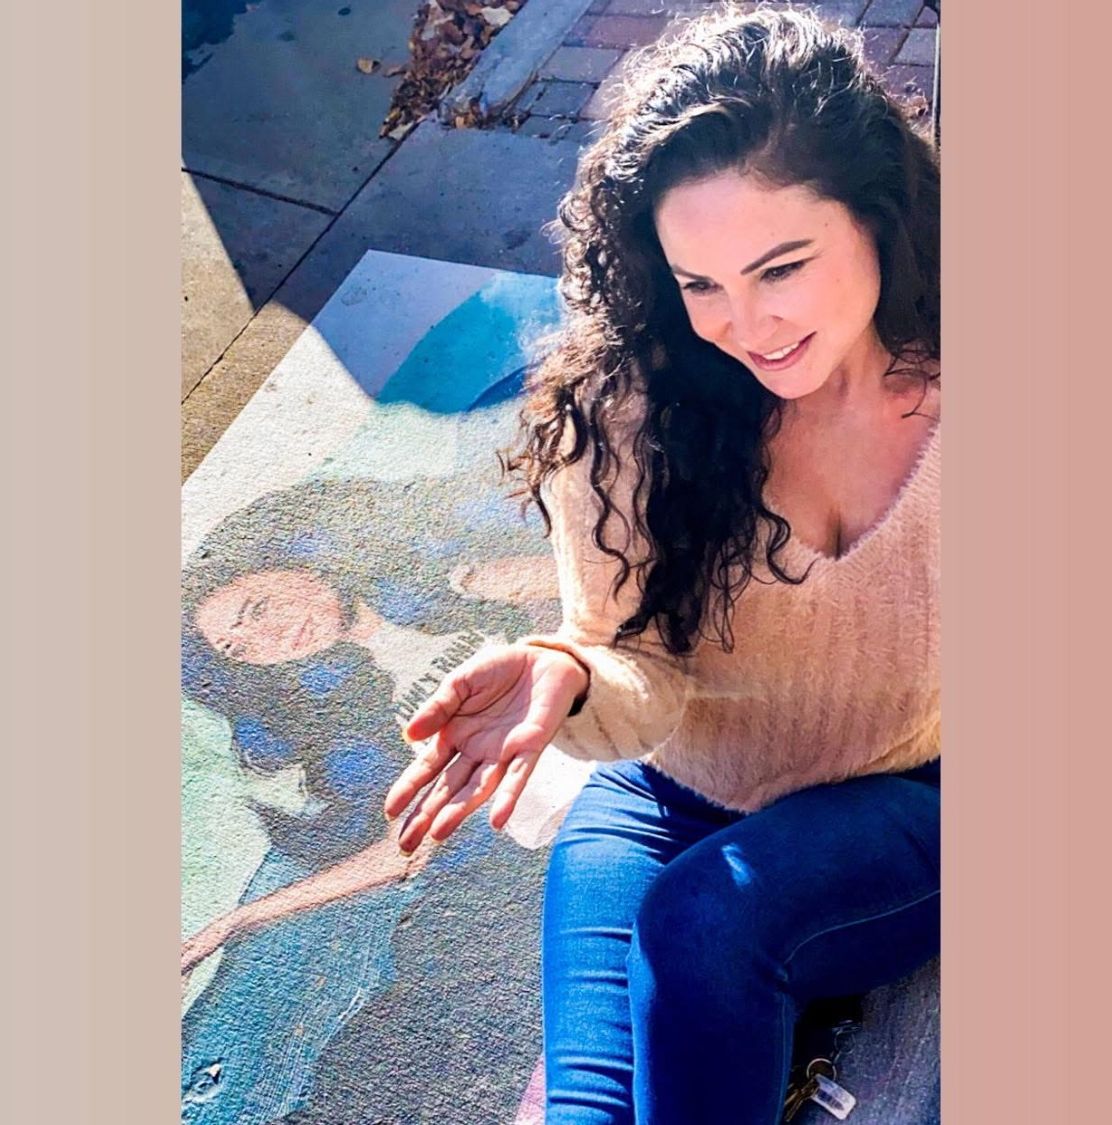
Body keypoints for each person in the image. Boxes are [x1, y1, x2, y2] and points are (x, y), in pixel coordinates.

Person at [383, 6, 941, 1124]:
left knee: (705, 923)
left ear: (878, 218)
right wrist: (570, 671)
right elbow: (634, 668)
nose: (747, 324)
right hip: (668, 803)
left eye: (781, 266)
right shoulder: (627, 416)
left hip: (917, 792)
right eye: (700, 284)